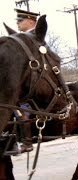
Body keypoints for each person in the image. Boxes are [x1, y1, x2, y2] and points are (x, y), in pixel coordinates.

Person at [14, 9, 39, 153]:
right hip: (26, 80)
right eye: (17, 20)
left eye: (20, 20)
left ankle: (27, 141)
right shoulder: (24, 38)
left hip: (34, 82)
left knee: (20, 108)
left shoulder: (34, 36)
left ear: (31, 21)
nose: (17, 23)